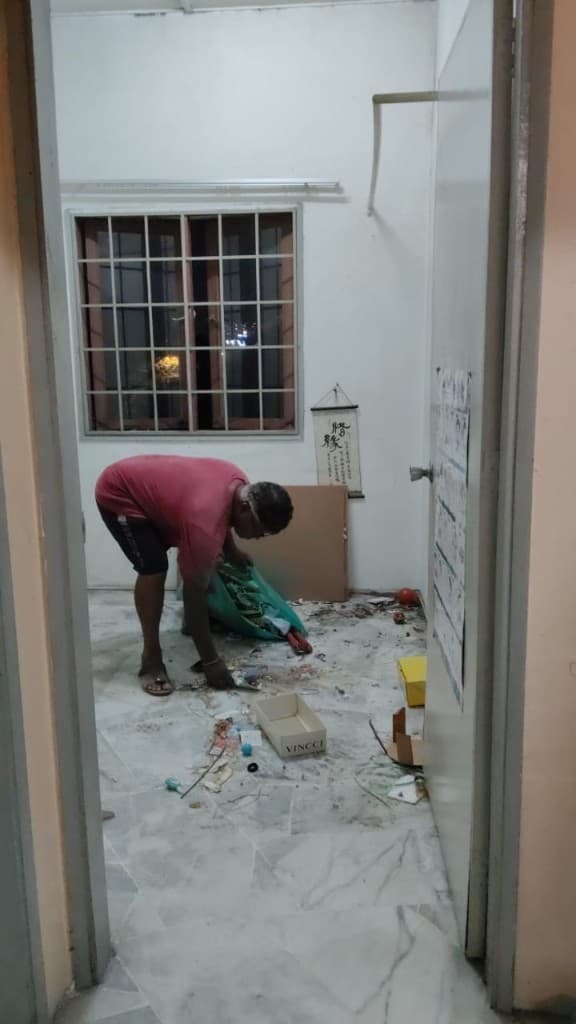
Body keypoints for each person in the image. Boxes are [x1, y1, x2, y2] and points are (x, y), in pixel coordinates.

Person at [95, 455, 293, 696]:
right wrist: (210, 661)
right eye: (260, 530)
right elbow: (193, 594)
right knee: (153, 566)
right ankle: (151, 657)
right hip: (121, 493)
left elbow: (224, 518)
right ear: (244, 509)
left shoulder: (240, 486)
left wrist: (232, 552)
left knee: (207, 558)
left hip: (156, 489)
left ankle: (194, 625)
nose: (260, 537)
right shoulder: (204, 519)